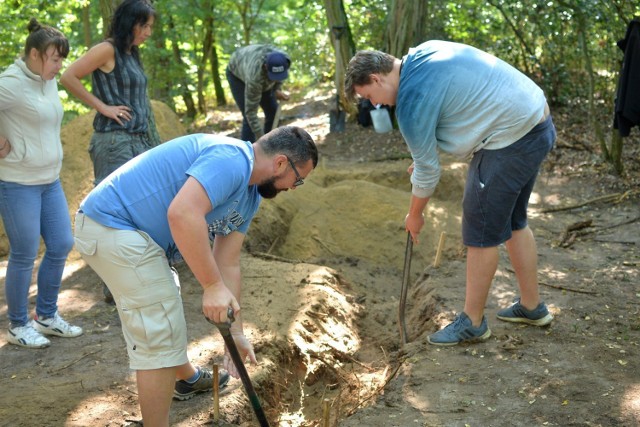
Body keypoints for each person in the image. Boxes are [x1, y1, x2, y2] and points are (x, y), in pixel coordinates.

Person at [73, 126, 318, 425]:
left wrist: (236, 330)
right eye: (299, 179)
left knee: (165, 306)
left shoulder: (250, 194)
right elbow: (183, 213)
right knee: (159, 330)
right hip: (112, 225)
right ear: (281, 163)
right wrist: (211, 285)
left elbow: (227, 262)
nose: (294, 187)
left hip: (132, 236)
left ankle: (185, 379)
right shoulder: (231, 160)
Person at [345, 41, 556, 346]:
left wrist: (414, 215)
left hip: (510, 140)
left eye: (369, 96)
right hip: (537, 122)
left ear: (376, 78)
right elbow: (453, 111)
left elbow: (429, 172)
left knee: (480, 232)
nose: (376, 104)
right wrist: (422, 161)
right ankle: (532, 307)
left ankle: (472, 323)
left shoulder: (411, 102)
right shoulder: (424, 52)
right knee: (513, 222)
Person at [60, 0, 158, 305]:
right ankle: (114, 289)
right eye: (145, 26)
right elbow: (68, 76)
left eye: (151, 27)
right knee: (114, 214)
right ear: (130, 23)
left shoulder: (132, 53)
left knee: (139, 212)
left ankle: (134, 281)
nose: (149, 33)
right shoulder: (108, 48)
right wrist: (103, 107)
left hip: (138, 141)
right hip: (114, 142)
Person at [0, 18, 83, 348]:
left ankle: (46, 316)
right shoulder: (10, 82)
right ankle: (17, 325)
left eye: (61, 58)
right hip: (18, 182)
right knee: (23, 253)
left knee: (62, 243)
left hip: (50, 180)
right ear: (34, 55)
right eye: (55, 58)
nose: (59, 66)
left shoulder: (46, 80)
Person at [226, 44, 291, 142]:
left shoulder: (284, 59)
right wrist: (261, 140)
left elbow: (279, 77)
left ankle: (271, 143)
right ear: (265, 67)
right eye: (274, 77)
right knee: (248, 119)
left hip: (255, 67)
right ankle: (248, 152)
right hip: (236, 73)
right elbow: (251, 113)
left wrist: (276, 89)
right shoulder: (255, 77)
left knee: (273, 111)